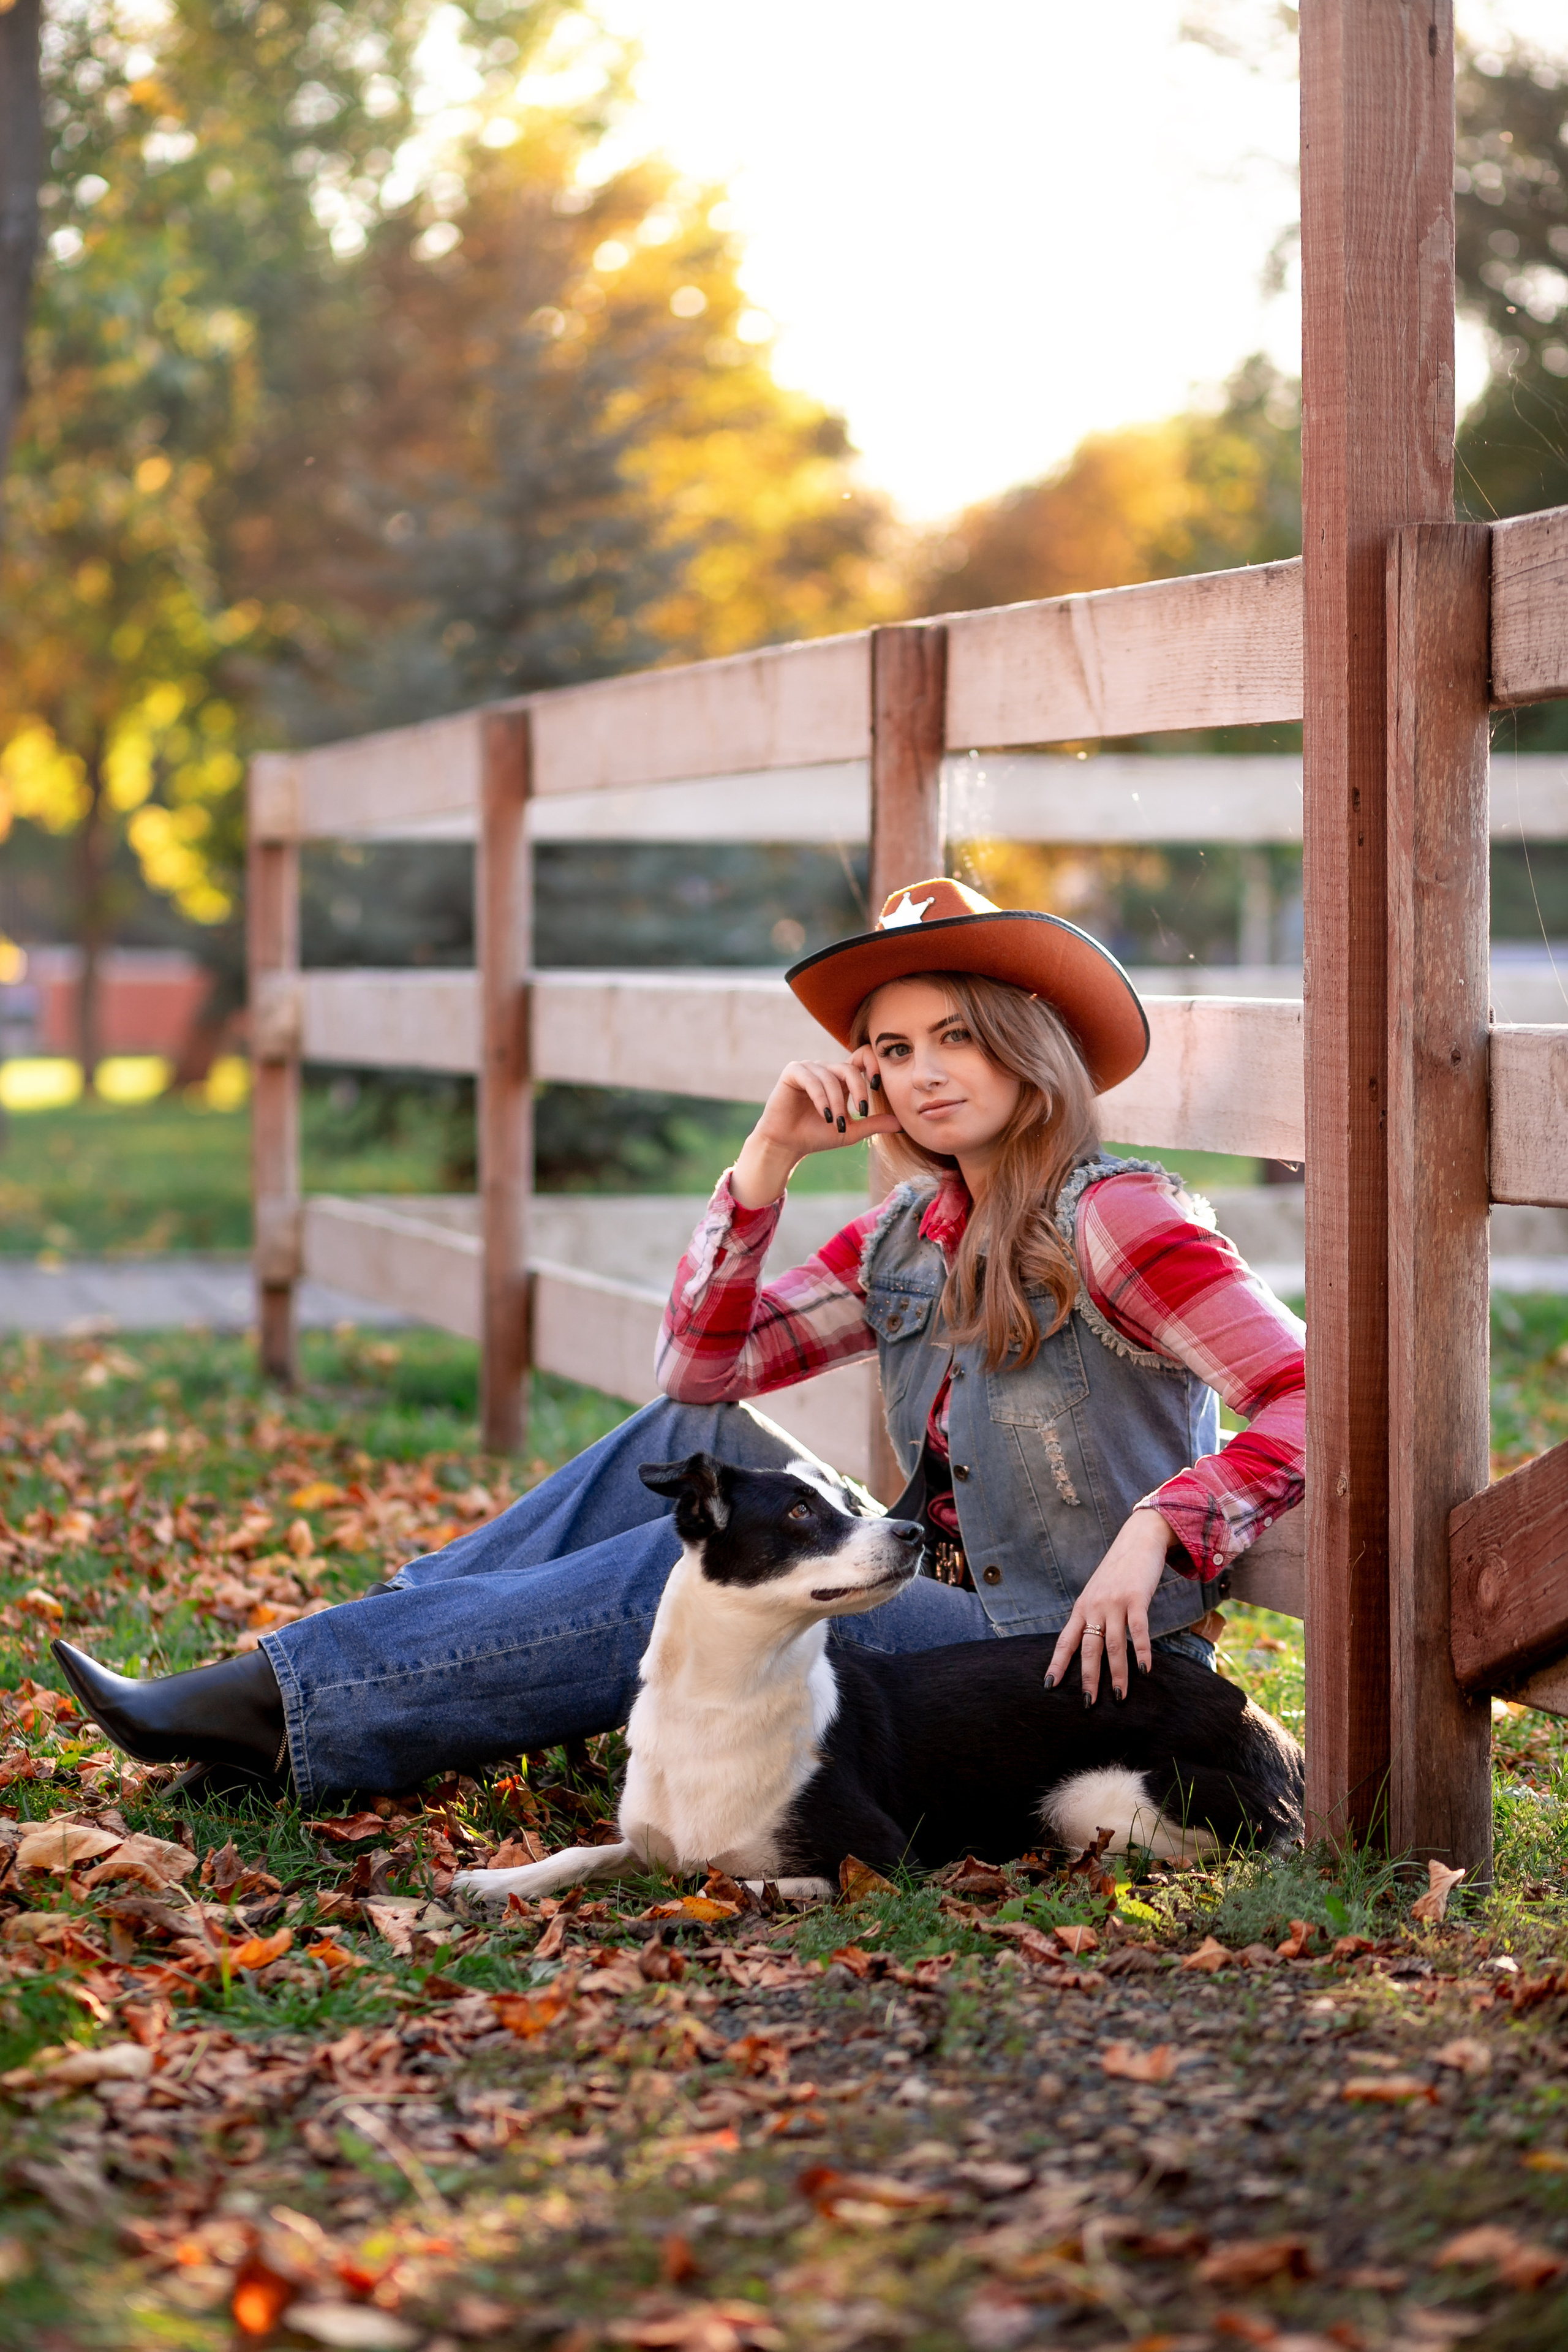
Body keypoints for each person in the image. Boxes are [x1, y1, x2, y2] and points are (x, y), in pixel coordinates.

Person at [53, 878, 1305, 1809]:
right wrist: (762, 1165)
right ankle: (339, 1672)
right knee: (682, 1444)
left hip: (1059, 1662)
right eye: (891, 1050)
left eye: (957, 1037)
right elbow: (703, 1375)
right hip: (929, 1601)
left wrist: (1162, 1528)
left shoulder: (1115, 1215)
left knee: (684, 1561)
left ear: (1027, 1047)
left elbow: (1311, 1396)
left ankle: (286, 1707)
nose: (923, 1076)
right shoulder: (911, 1233)